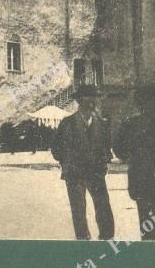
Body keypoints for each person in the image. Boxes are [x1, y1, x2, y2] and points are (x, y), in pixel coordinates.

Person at [51, 85, 115, 240]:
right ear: (80, 100)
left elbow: (106, 147)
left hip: (96, 172)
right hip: (75, 173)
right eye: (89, 97)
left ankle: (107, 237)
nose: (93, 101)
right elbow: (56, 148)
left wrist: (104, 160)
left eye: (95, 97)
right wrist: (67, 162)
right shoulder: (68, 123)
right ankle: (83, 238)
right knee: (78, 209)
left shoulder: (101, 123)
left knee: (103, 206)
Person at [113, 86, 155, 240]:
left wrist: (132, 156)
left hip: (140, 180)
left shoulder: (130, 123)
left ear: (139, 104)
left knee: (146, 221)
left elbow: (118, 149)